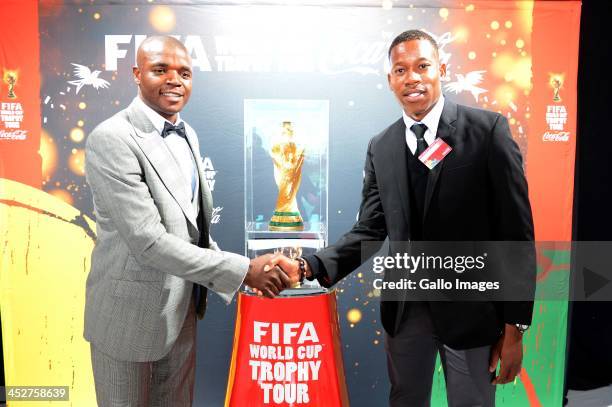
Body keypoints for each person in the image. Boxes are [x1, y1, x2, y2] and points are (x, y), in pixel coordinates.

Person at [273, 30, 536, 406]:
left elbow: (516, 236)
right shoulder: (381, 146)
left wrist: (515, 329)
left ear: (441, 69)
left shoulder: (488, 131)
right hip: (406, 311)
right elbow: (370, 229)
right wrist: (311, 266)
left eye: (422, 66)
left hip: (472, 311)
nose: (412, 77)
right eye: (401, 69)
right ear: (390, 80)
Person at [84, 35, 292, 407]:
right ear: (136, 74)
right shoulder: (112, 138)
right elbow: (148, 241)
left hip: (181, 312)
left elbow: (192, 231)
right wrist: (244, 270)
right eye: (160, 70)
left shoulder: (187, 133)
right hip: (127, 319)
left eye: (184, 73)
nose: (175, 80)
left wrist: (247, 275)